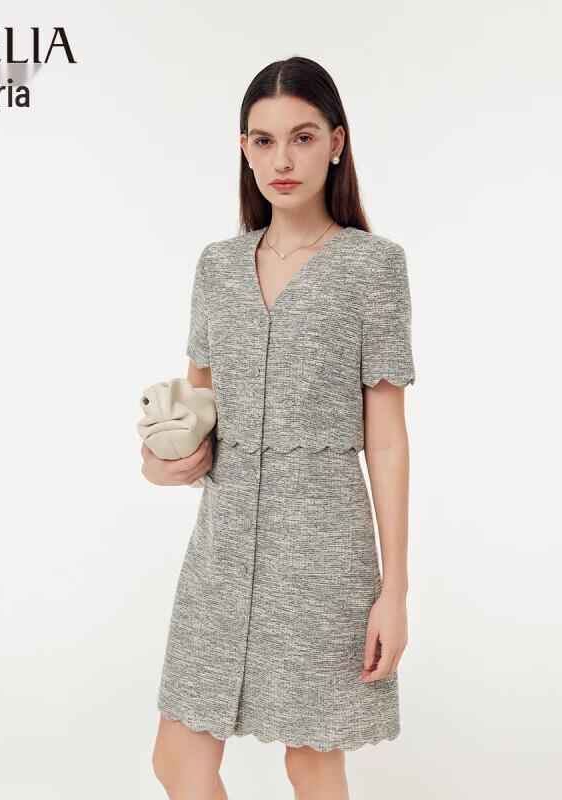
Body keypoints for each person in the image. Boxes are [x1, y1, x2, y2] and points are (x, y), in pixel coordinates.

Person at [142, 55, 416, 800]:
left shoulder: (374, 267)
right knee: (178, 761)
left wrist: (393, 591)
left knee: (311, 763)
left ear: (336, 142)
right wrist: (160, 460)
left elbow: (388, 438)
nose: (282, 160)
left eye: (302, 137)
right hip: (221, 551)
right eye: (263, 141)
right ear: (245, 150)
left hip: (323, 552)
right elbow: (196, 409)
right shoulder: (217, 266)